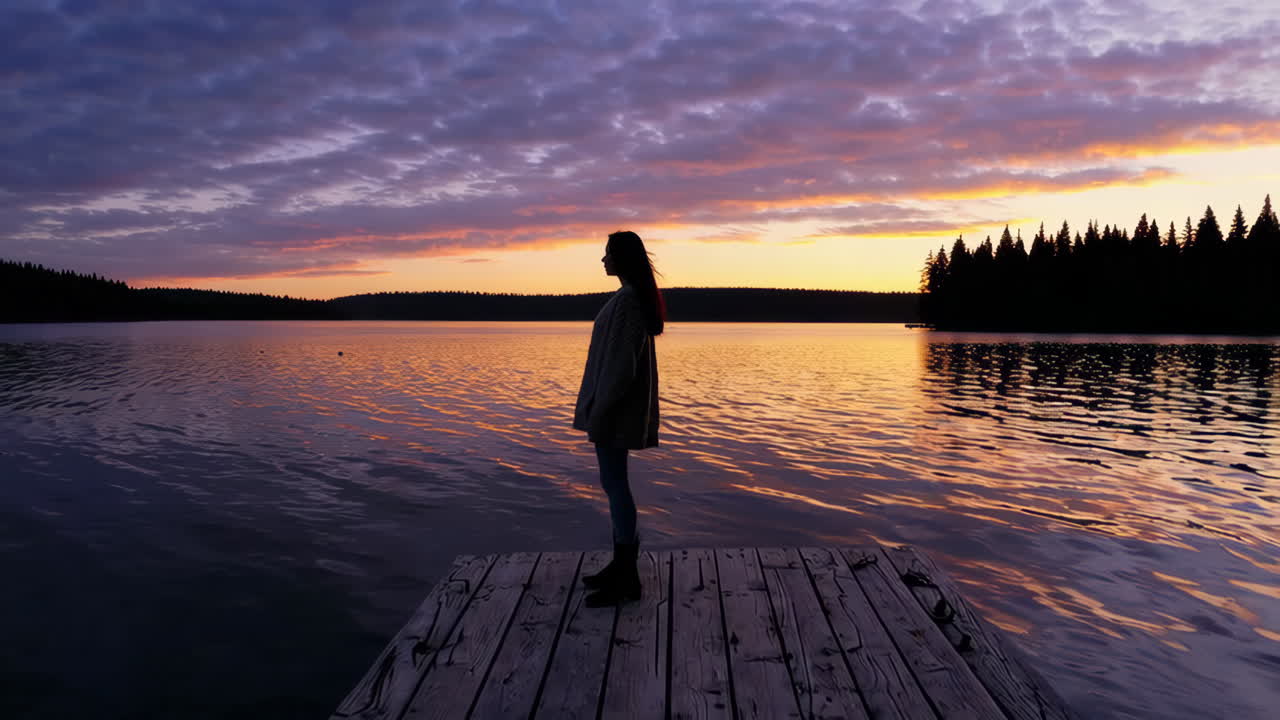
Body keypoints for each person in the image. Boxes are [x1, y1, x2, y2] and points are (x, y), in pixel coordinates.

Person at [572, 230, 664, 607]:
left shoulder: (628, 301)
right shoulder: (629, 297)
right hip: (615, 408)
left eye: (608, 254)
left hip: (615, 410)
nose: (603, 260)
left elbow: (622, 367)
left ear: (622, 258)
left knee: (615, 485)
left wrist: (601, 409)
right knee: (614, 484)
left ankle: (627, 577)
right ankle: (620, 566)